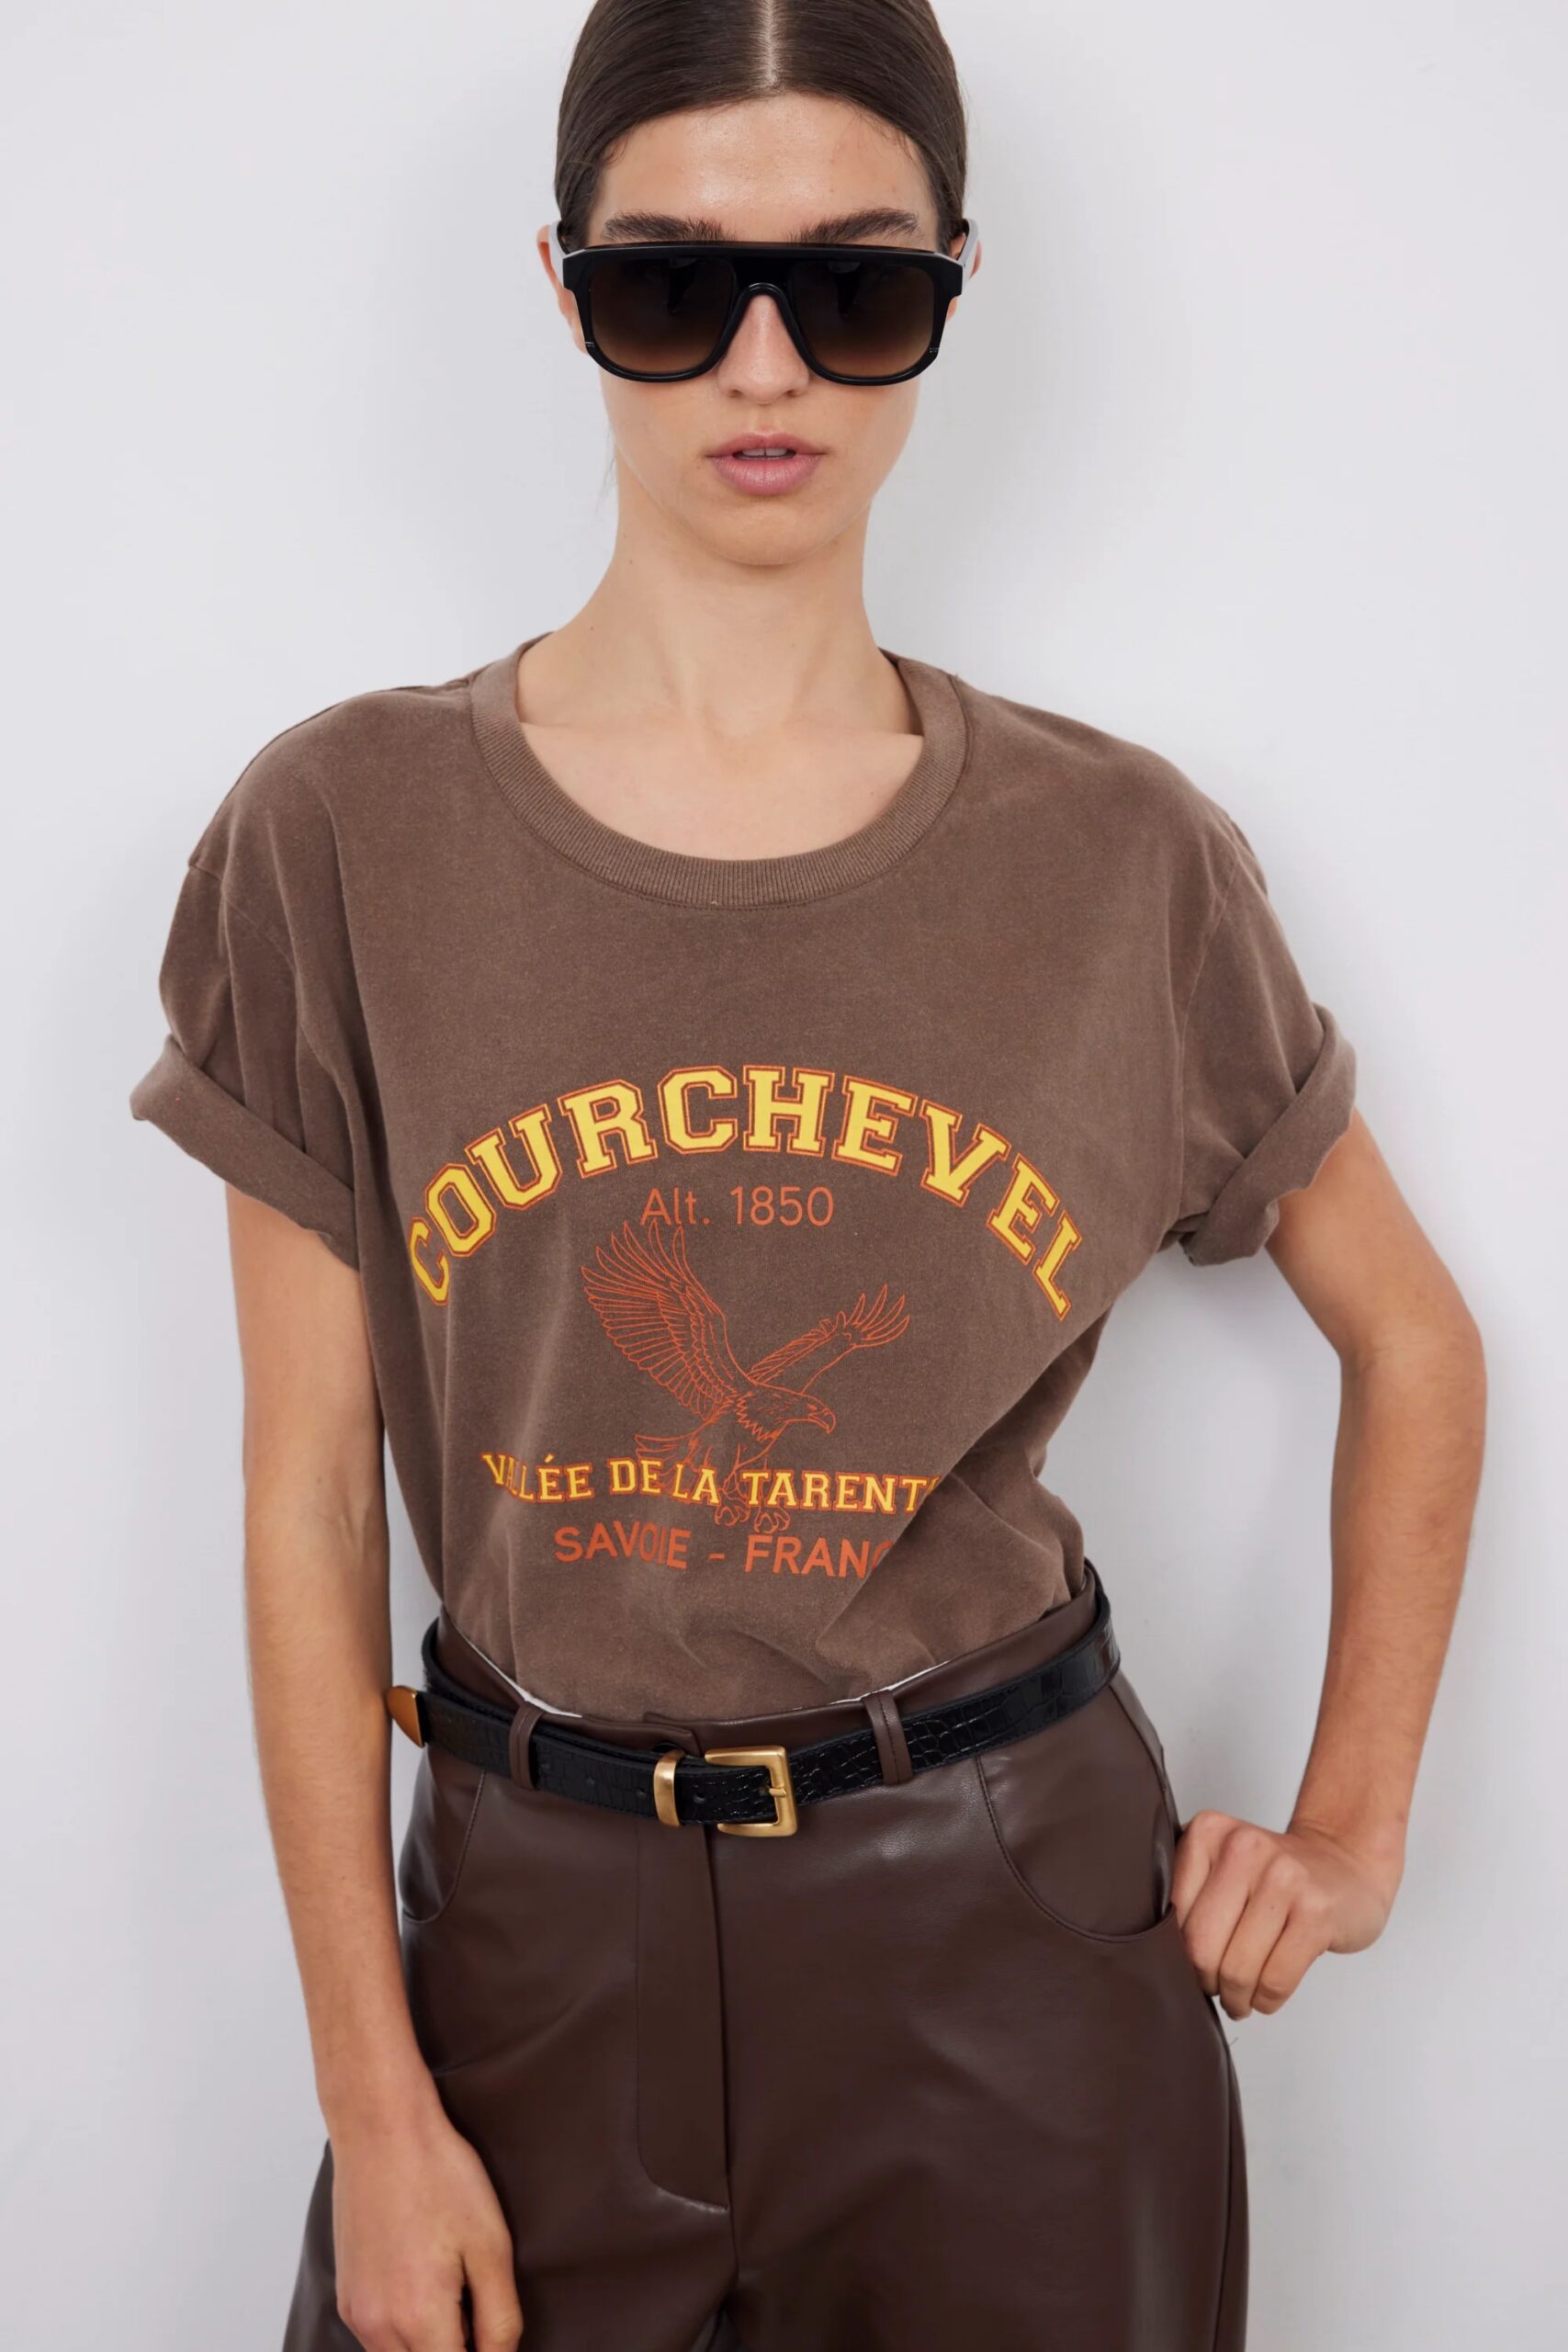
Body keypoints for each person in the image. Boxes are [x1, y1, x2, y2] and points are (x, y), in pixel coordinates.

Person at [126, 3, 1485, 2347]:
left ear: (949, 287)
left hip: (1004, 1942)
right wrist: (372, 2094)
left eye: (852, 286)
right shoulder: (341, 833)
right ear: (565, 288)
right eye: (673, 285)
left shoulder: (1117, 858)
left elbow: (1415, 1337)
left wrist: (1351, 1828)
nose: (762, 368)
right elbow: (307, 1500)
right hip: (522, 1949)